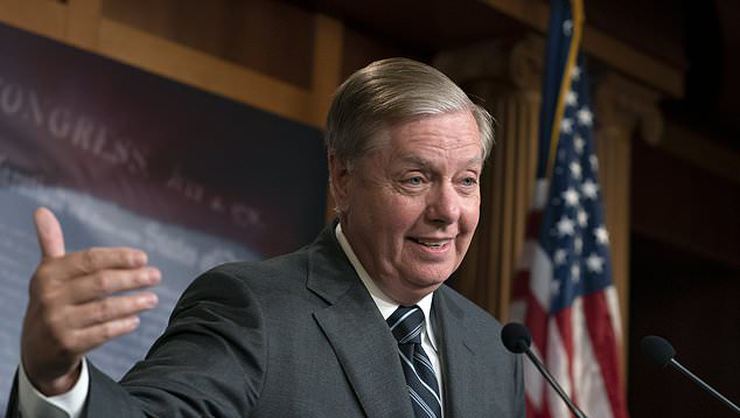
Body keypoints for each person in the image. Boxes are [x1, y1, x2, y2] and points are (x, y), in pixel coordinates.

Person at [7, 58, 524, 417]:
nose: (448, 211)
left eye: (466, 181)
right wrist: (56, 379)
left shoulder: (495, 348)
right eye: (415, 179)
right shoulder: (252, 308)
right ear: (342, 179)